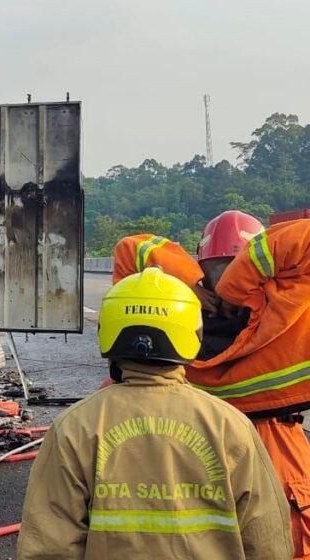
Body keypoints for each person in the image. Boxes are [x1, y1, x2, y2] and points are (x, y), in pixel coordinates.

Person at [17, 268, 292, 560]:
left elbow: (48, 548)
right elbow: (269, 543)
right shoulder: (230, 426)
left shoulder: (74, 428)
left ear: (108, 331)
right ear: (193, 334)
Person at [187, 217, 310, 560]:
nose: (225, 279)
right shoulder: (291, 308)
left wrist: (225, 289)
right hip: (241, 442)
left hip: (236, 440)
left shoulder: (288, 307)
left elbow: (132, 253)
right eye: (219, 271)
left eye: (235, 267)